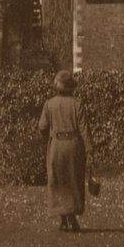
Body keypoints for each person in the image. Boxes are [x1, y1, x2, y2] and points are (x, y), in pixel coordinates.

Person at [38, 69, 94, 232]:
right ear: (71, 88)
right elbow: (84, 129)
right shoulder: (77, 104)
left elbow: (42, 127)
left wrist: (49, 137)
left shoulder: (49, 104)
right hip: (74, 146)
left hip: (56, 146)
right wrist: (90, 149)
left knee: (58, 180)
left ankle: (63, 219)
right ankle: (72, 219)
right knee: (74, 180)